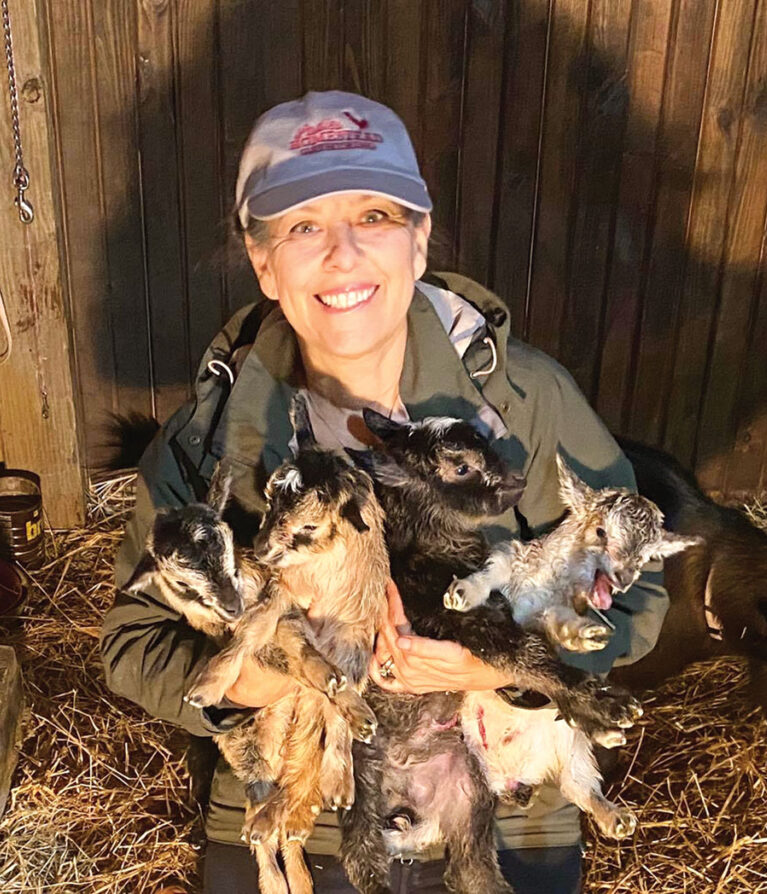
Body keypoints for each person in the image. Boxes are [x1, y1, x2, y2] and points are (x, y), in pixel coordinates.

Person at [101, 90, 668, 893]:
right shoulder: (212, 432)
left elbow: (638, 597)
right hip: (305, 801)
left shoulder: (521, 402)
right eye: (302, 227)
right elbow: (131, 643)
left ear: (420, 240)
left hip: (494, 794)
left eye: (373, 217)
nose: (341, 255)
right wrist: (280, 672)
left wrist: (488, 668)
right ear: (263, 262)